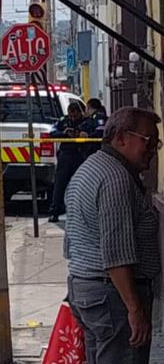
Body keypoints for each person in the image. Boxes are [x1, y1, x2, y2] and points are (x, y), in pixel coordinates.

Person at [65, 107, 161, 363]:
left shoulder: (89, 169)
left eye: (156, 143)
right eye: (148, 141)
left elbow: (71, 243)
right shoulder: (115, 179)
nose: (153, 150)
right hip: (112, 298)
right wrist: (135, 309)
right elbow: (116, 255)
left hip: (88, 292)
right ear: (121, 138)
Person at [48, 101, 91, 222]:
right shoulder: (64, 120)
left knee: (82, 185)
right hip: (66, 155)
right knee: (59, 184)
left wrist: (84, 134)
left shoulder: (86, 122)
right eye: (70, 115)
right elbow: (52, 132)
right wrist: (64, 133)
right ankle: (54, 211)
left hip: (80, 155)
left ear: (80, 113)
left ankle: (83, 212)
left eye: (75, 116)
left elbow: (96, 133)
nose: (72, 118)